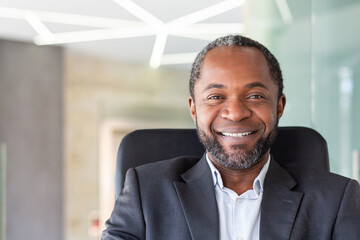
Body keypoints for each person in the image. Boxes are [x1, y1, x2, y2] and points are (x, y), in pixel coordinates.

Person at [101, 35, 360, 240]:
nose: (235, 113)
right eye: (216, 97)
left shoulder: (336, 198)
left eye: (255, 96)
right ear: (193, 108)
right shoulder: (145, 191)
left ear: (279, 107)